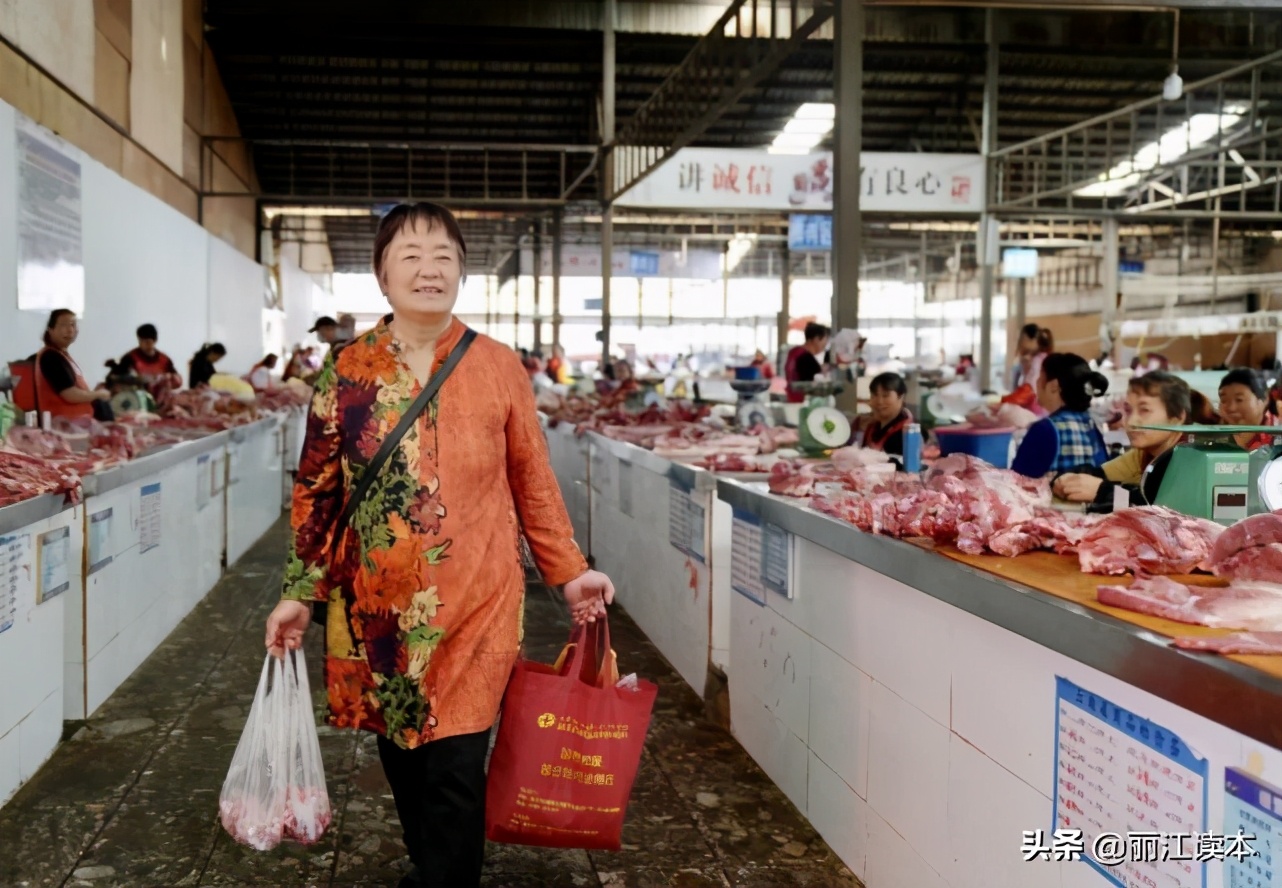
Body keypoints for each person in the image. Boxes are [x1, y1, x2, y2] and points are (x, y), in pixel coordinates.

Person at [263, 201, 614, 888]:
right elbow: (316, 491)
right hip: (378, 607)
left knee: (456, 757)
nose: (430, 270)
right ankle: (432, 864)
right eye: (411, 257)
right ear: (382, 276)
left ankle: (446, 877)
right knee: (403, 751)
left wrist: (570, 573)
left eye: (444, 257)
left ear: (462, 271)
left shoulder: (498, 367)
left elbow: (533, 480)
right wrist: (299, 594)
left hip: (479, 599)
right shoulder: (348, 370)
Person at [1052, 372, 1205, 510]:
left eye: (1144, 410)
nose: (1131, 422)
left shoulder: (1198, 456)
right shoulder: (1141, 455)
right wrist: (1065, 479)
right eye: (1128, 410)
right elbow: (1098, 474)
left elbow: (1165, 507)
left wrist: (1102, 491)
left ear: (1177, 417)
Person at [1011, 353, 1110, 478]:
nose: (1036, 382)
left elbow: (1017, 480)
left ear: (1053, 386)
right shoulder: (1090, 424)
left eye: (1040, 377)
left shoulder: (1044, 430)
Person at [31, 309, 110, 420]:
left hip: (79, 422)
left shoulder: (63, 356)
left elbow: (73, 389)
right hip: (63, 426)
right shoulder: (50, 357)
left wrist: (93, 392)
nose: (70, 330)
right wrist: (98, 394)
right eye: (64, 325)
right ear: (51, 330)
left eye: (73, 325)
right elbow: (70, 394)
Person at [1219, 368, 1278, 451]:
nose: (1231, 408)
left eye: (1239, 399)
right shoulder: (1216, 436)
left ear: (1263, 400)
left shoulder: (1277, 435)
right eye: (1224, 400)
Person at [855, 372, 912, 456]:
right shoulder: (871, 427)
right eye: (874, 395)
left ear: (901, 397)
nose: (879, 401)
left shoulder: (908, 432)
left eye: (885, 395)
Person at [113, 324, 182, 390]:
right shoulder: (130, 358)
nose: (143, 344)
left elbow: (177, 380)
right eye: (141, 341)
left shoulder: (164, 360)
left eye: (147, 342)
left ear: (155, 341)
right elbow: (115, 377)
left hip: (161, 396)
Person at [784, 322, 829, 403]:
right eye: (825, 339)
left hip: (791, 400)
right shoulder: (806, 358)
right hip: (802, 403)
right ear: (816, 339)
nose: (825, 344)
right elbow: (813, 384)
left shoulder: (794, 352)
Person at [1011, 324, 1054, 390]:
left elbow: (1030, 390)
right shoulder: (1040, 359)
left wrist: (1026, 371)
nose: (1027, 357)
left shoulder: (1037, 362)